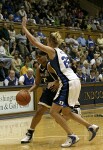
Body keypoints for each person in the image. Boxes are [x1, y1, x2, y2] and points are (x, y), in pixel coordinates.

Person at [22, 17, 99, 147]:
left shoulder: (52, 51)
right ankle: (90, 126)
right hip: (75, 80)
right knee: (66, 112)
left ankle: (71, 135)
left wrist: (24, 28)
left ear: (50, 41)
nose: (46, 42)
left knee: (53, 112)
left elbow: (34, 41)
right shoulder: (61, 51)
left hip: (67, 82)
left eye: (47, 40)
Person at [21, 50, 59, 143]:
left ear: (46, 55)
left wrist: (57, 82)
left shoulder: (50, 65)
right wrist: (29, 91)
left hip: (59, 90)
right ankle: (29, 133)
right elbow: (37, 84)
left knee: (63, 115)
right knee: (39, 111)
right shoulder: (38, 68)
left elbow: (62, 76)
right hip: (49, 91)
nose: (38, 58)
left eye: (40, 56)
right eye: (37, 57)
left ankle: (75, 110)